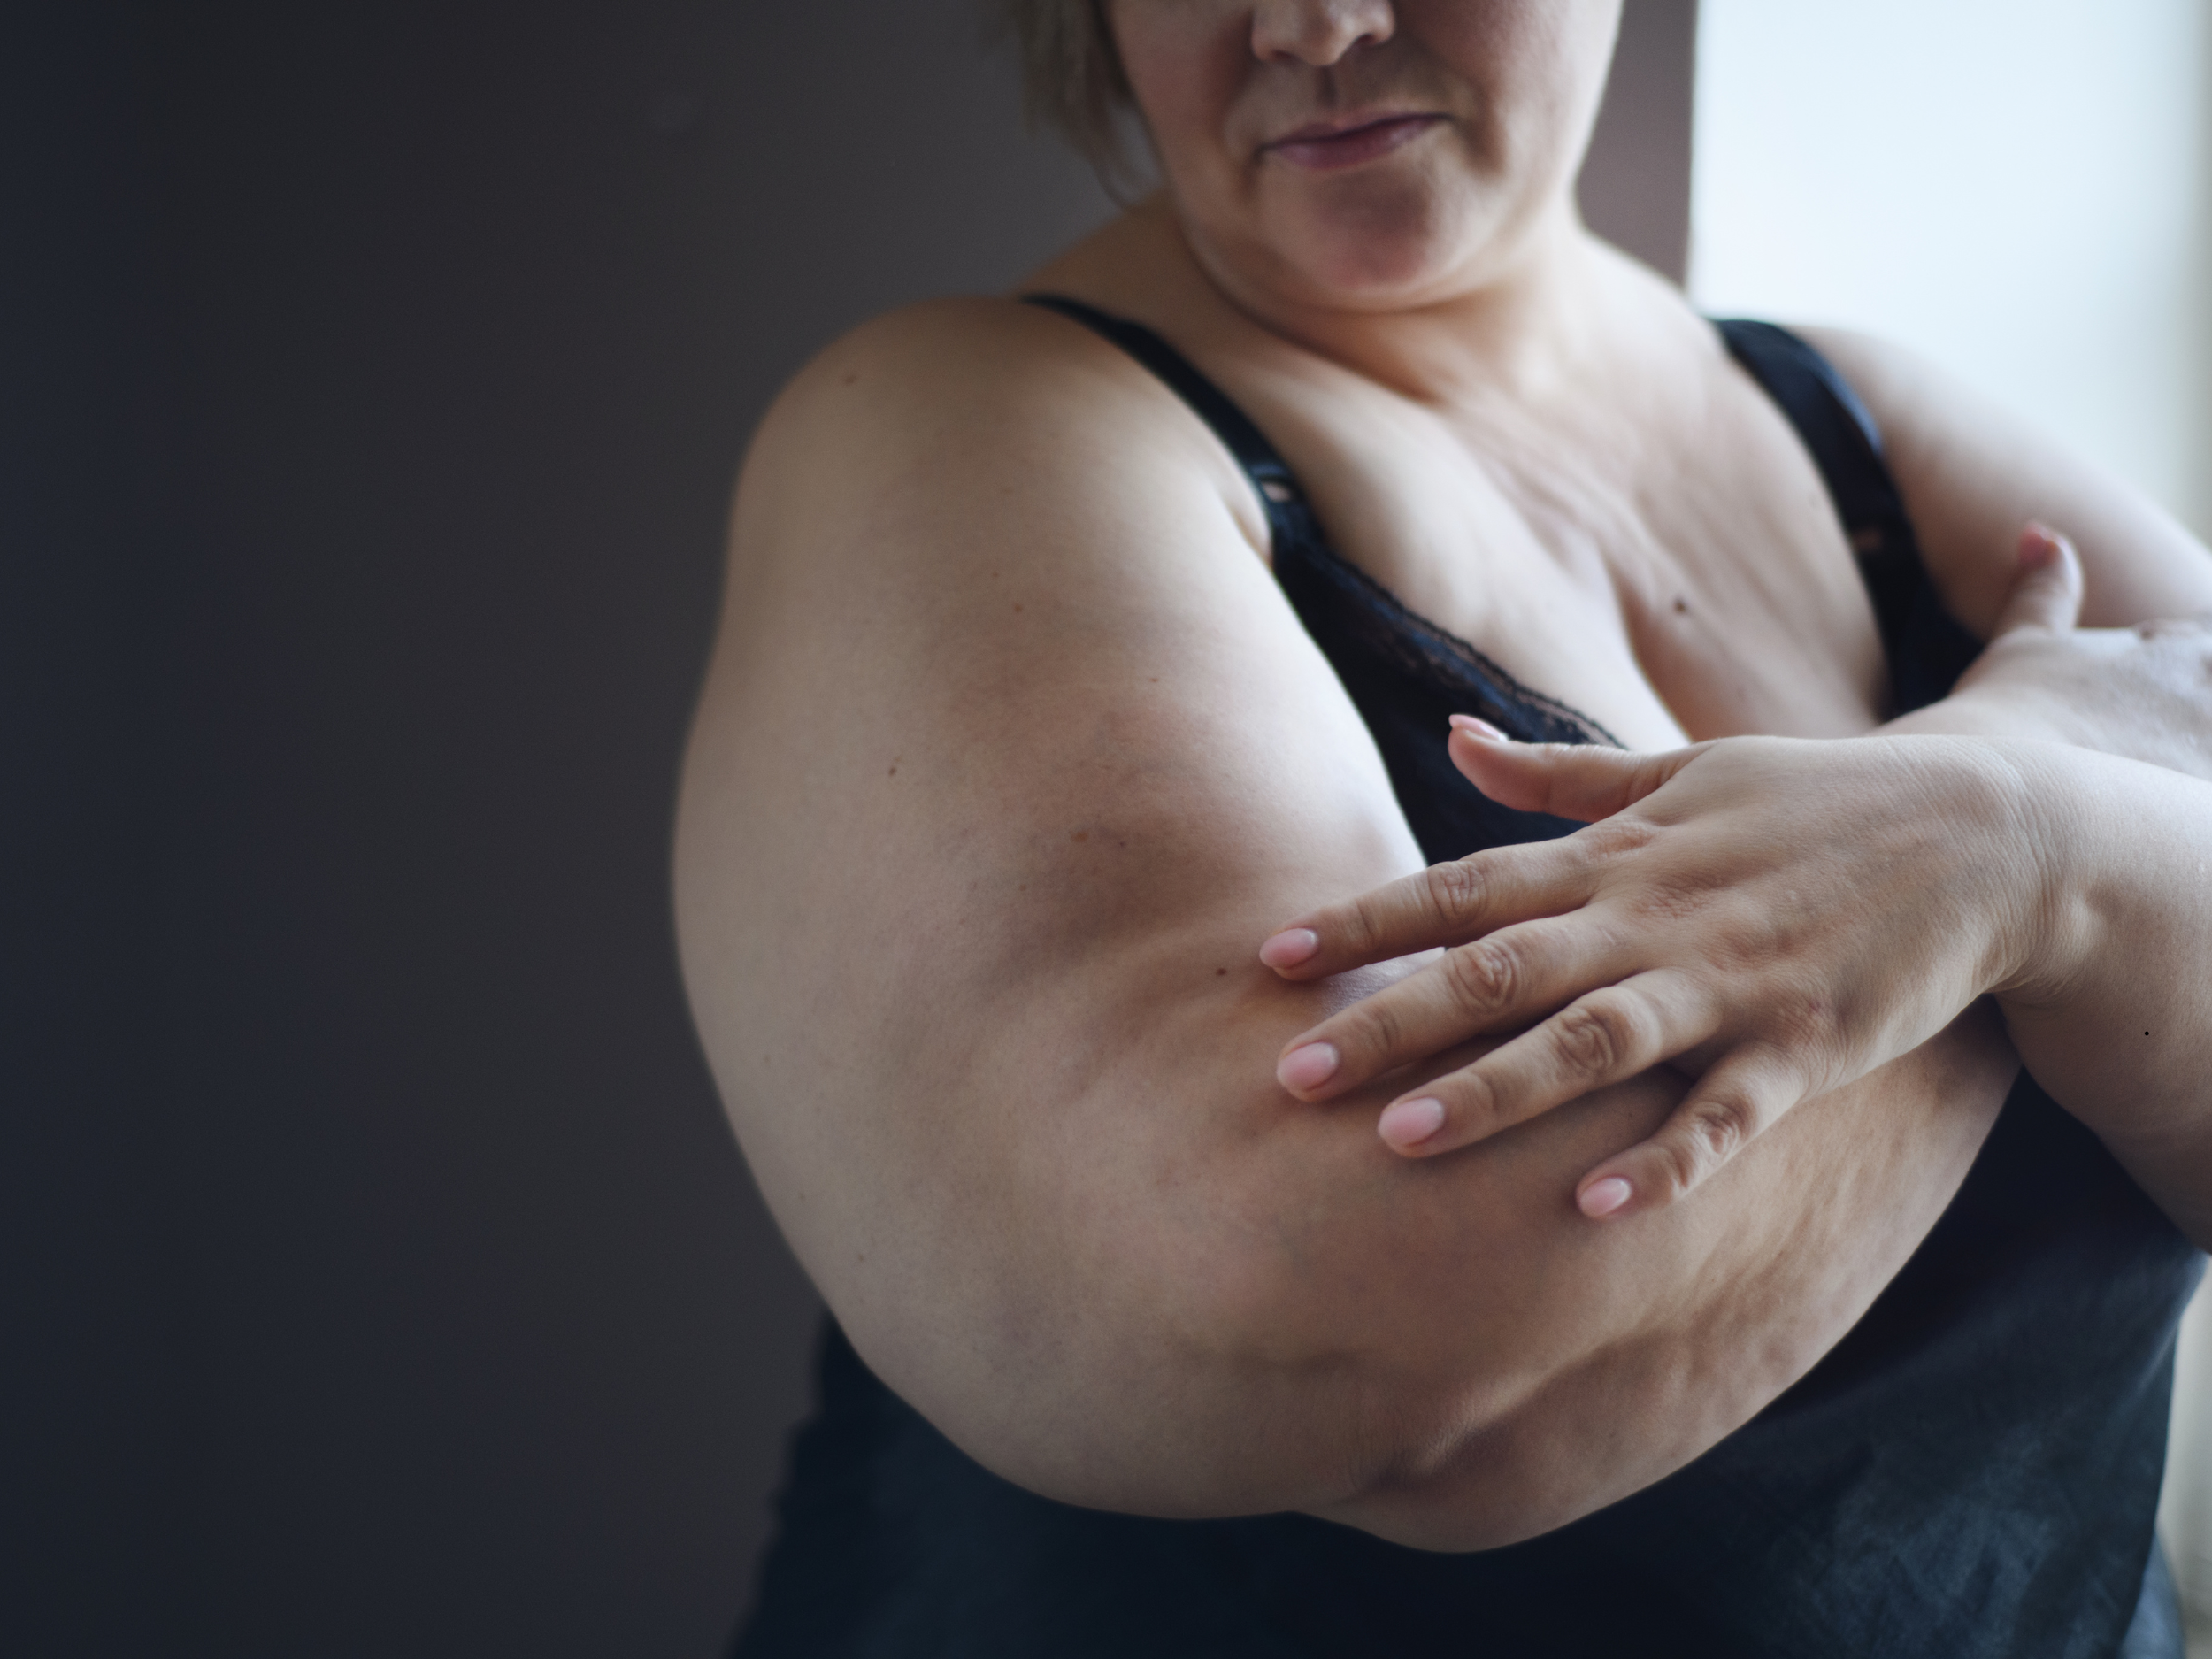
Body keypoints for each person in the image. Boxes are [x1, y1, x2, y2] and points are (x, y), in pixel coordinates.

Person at [672, 3, 2212, 1652]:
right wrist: (2030, 852)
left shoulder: (1864, 422)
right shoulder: (960, 432)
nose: (1315, 21)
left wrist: (2007, 855)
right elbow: (1328, 1319)